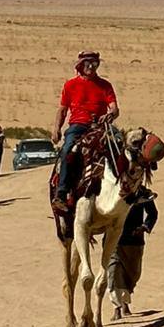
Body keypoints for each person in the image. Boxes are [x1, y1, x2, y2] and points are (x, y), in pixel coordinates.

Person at [51, 51, 119, 210]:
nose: (91, 66)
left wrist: (111, 115)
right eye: (88, 63)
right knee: (68, 150)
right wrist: (56, 129)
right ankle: (61, 192)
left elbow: (115, 108)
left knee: (120, 144)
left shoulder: (105, 85)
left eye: (94, 63)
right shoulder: (71, 85)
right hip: (78, 125)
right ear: (81, 65)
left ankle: (130, 189)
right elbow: (62, 110)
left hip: (101, 126)